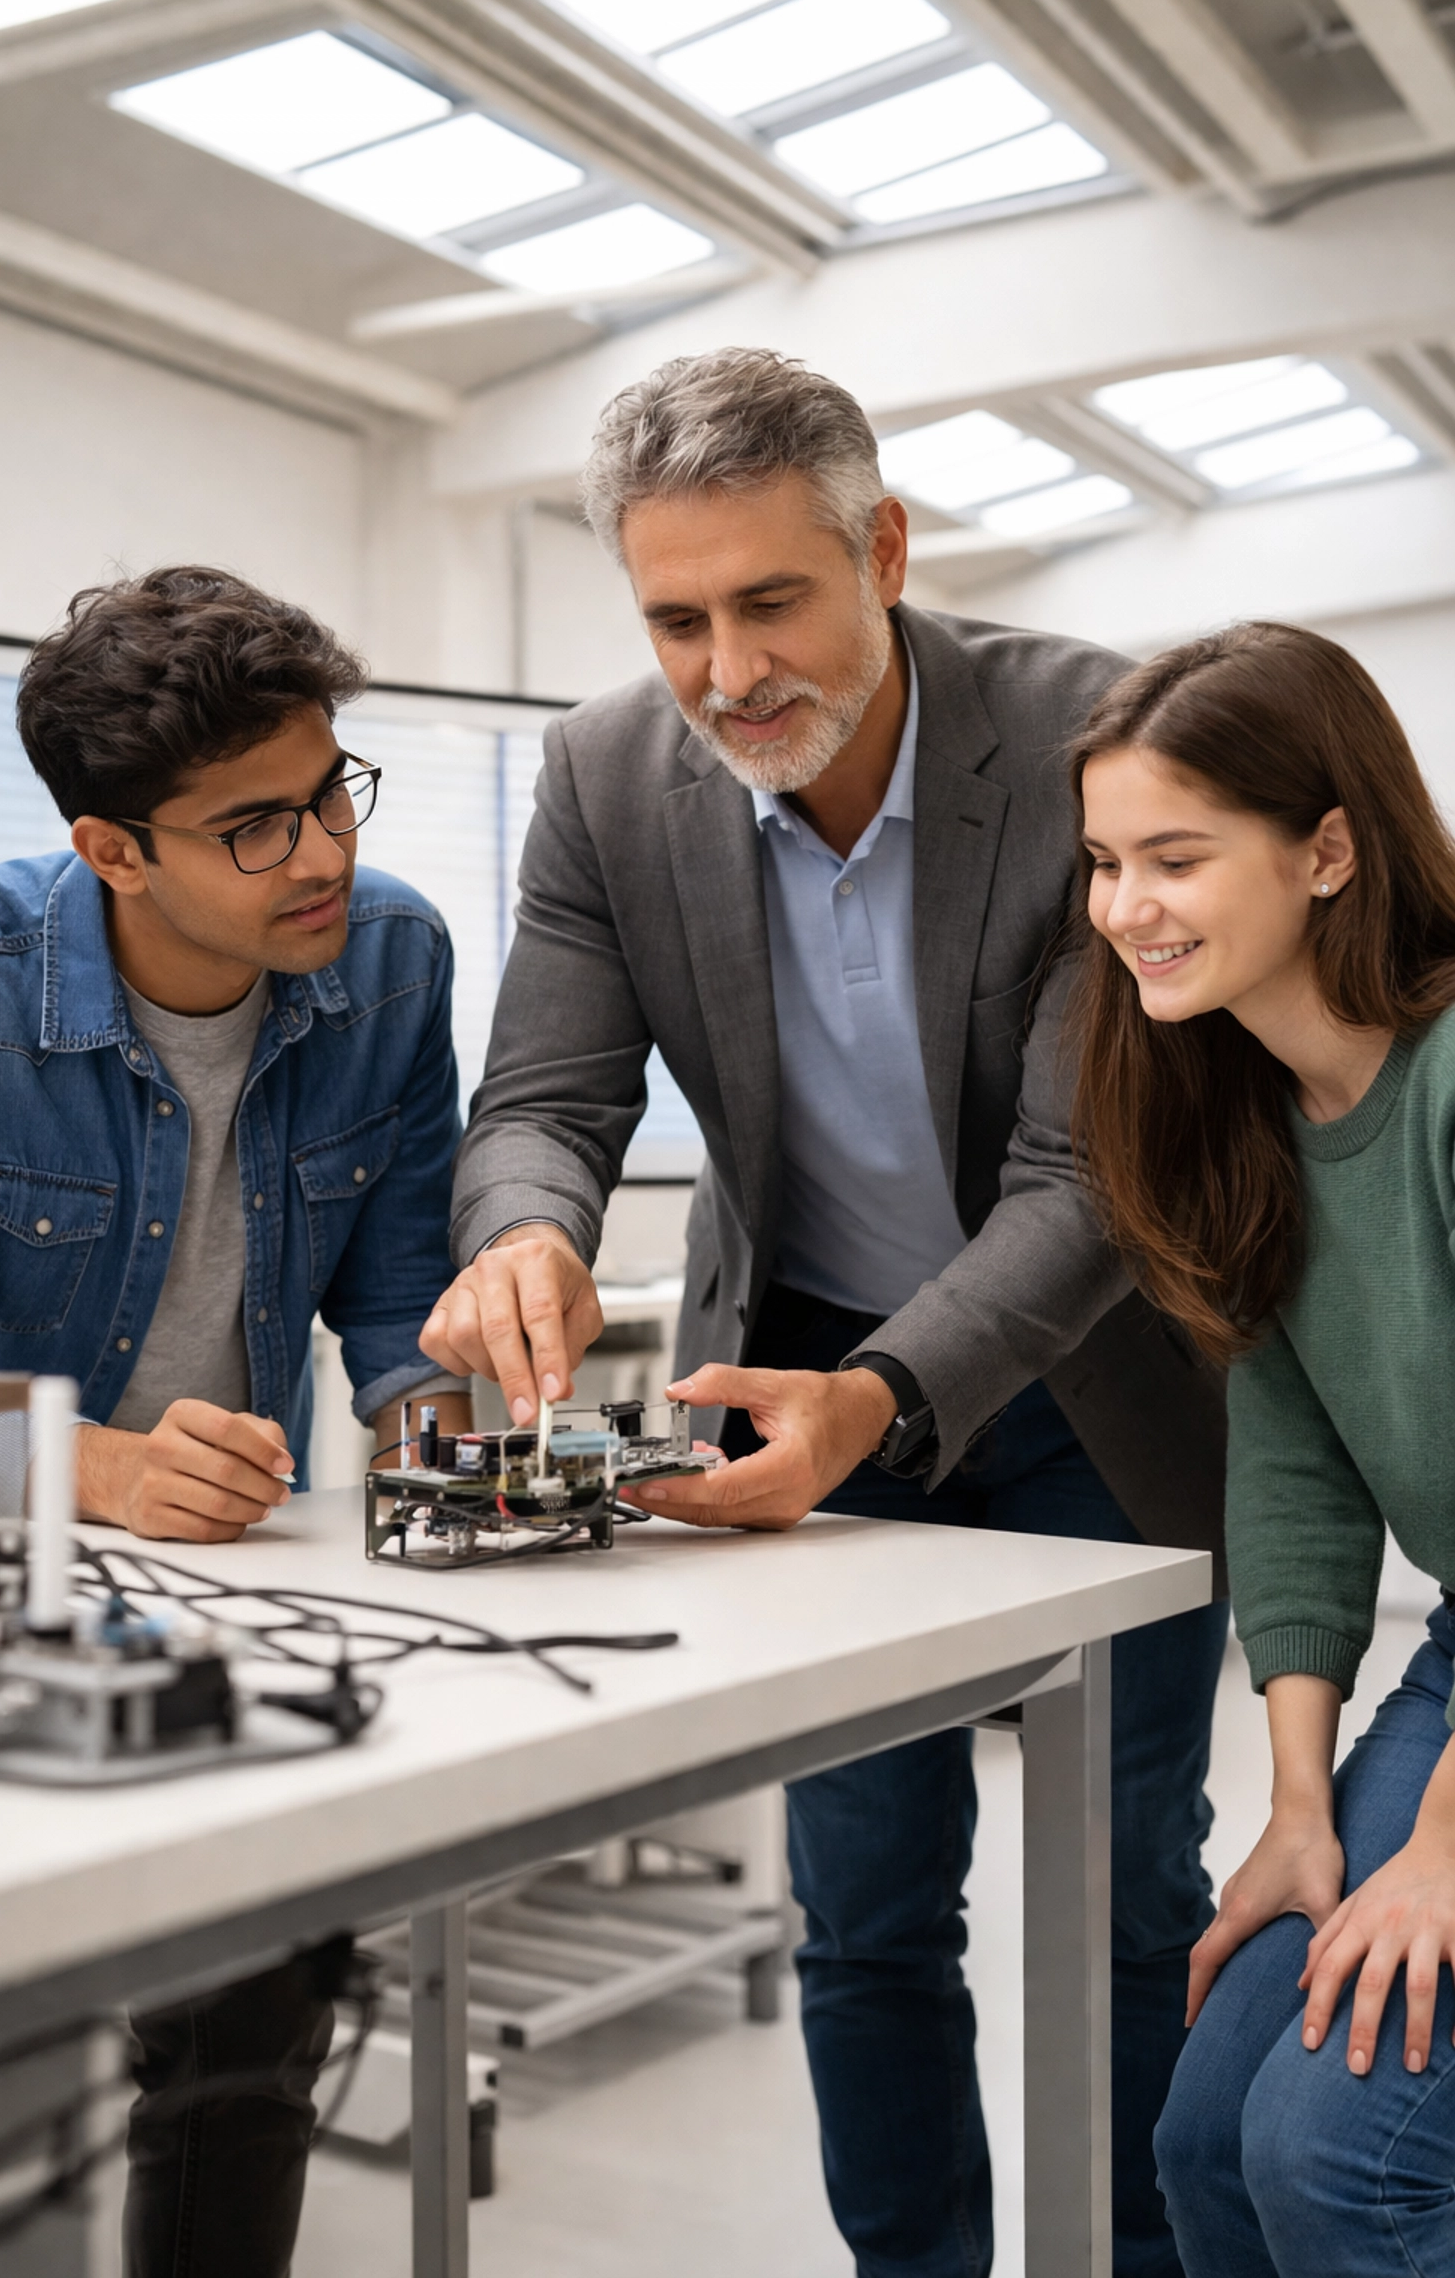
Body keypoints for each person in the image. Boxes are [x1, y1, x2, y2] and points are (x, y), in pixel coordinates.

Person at [422, 347, 1229, 2278]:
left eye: (771, 601)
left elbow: (1086, 1179)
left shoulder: (1080, 747)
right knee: (869, 1918)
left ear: (881, 547)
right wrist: (524, 1231)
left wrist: (883, 1394)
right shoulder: (611, 769)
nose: (725, 672)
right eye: (676, 617)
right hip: (802, 1417)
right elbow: (544, 1099)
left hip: (1094, 1402)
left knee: (1129, 1907)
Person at [0, 566, 468, 2277]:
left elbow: (393, 1308)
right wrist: (105, 1472)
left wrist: (464, 1450)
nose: (321, 855)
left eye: (327, 794)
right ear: (113, 850)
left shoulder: (389, 961)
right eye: (253, 828)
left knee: (247, 2034)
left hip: (231, 1568)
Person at [1068, 621, 1455, 2276]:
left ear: (1327, 850)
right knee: (1203, 2140)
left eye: (1175, 857)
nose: (1124, 908)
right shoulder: (1244, 1109)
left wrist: (1437, 1855)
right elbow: (1295, 1476)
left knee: (1339, 2165)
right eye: (1102, 862)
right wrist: (1304, 1804)